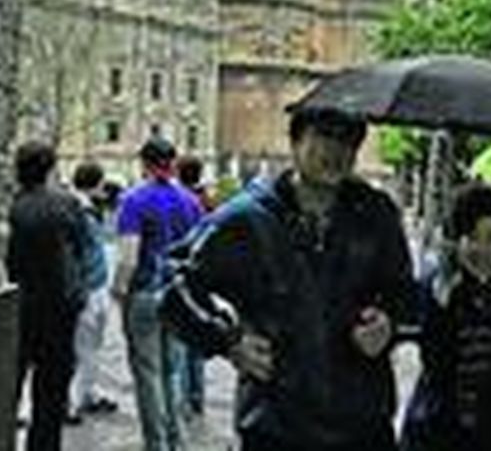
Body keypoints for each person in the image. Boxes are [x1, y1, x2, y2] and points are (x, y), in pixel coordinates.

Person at [181, 107, 415, 451]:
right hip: (276, 424)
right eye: (324, 136)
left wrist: (388, 323)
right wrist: (227, 340)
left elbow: (406, 294)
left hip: (363, 422)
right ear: (295, 141)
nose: (336, 150)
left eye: (348, 140)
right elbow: (175, 279)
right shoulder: (249, 218)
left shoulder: (376, 214)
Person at [401, 184, 491, 451]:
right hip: (443, 432)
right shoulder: (439, 288)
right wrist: (441, 306)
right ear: (458, 240)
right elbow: (434, 364)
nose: (481, 248)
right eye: (472, 237)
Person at [115, 137, 206, 451]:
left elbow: (128, 257)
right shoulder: (191, 201)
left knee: (148, 372)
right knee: (173, 371)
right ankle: (177, 440)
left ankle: (156, 443)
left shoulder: (134, 200)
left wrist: (119, 291)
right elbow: (199, 251)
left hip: (145, 292)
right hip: (178, 293)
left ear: (144, 163)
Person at [6, 141, 92, 451]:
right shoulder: (67, 204)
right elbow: (82, 249)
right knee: (51, 392)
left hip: (18, 305)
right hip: (59, 308)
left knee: (8, 385)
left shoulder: (11, 206)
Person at [68, 161, 118, 422]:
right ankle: (73, 401)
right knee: (82, 346)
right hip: (86, 287)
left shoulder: (90, 208)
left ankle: (88, 392)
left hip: (97, 285)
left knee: (92, 345)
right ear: (96, 183)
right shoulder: (76, 209)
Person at [174, 155, 212, 419]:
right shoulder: (205, 201)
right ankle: (198, 397)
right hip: (202, 274)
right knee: (197, 341)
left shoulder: (180, 200)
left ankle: (186, 400)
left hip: (182, 273)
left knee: (183, 340)